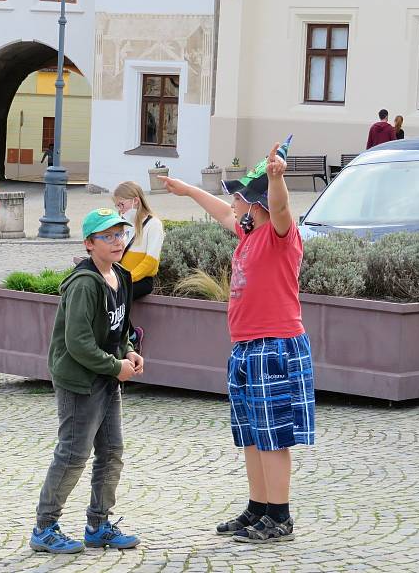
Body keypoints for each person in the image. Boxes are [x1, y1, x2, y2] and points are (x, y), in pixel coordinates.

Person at [158, 137, 315, 544]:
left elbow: (280, 208)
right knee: (250, 433)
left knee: (272, 434)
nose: (235, 207)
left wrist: (278, 177)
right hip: (246, 347)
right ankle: (258, 507)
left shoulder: (280, 235)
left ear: (258, 205)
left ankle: (279, 517)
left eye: (242, 201)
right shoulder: (247, 235)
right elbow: (221, 212)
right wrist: (189, 190)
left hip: (274, 345)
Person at [29, 208, 144, 555]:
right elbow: (78, 343)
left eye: (120, 234)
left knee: (112, 452)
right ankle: (44, 527)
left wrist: (130, 351)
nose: (116, 242)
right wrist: (116, 367)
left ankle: (98, 524)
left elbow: (119, 329)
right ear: (89, 244)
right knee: (73, 454)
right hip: (79, 380)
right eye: (107, 237)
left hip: (107, 376)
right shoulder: (83, 284)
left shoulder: (121, 276)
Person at [113, 181, 164, 351]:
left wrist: (127, 279)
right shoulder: (124, 224)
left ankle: (133, 336)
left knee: (115, 299)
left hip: (141, 280)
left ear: (135, 200)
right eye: (117, 206)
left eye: (122, 204)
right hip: (123, 277)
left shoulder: (153, 224)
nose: (120, 209)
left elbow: (151, 263)